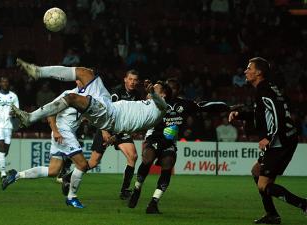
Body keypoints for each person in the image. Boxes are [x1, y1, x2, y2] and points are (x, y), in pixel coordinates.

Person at [10, 58, 168, 207]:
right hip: (107, 105)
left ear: (163, 95)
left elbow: (160, 104)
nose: (151, 89)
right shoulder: (146, 101)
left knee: (71, 98)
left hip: (109, 117)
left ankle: (30, 118)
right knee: (85, 72)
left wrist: (154, 94)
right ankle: (38, 72)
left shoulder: (161, 106)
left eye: (155, 89)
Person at [128, 79, 236, 214]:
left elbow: (205, 106)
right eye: (168, 87)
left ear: (177, 91)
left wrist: (227, 107)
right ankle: (137, 188)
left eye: (173, 88)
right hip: (154, 137)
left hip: (169, 142)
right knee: (147, 160)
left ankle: (154, 202)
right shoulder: (156, 101)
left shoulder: (184, 104)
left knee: (168, 164)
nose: (170, 89)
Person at [229, 57, 306, 224]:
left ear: (258, 72)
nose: (245, 71)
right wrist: (240, 114)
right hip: (284, 138)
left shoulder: (264, 91)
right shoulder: (267, 89)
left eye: (249, 68)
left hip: (281, 141)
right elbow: (263, 114)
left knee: (264, 184)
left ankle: (304, 204)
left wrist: (268, 137)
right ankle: (272, 214)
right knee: (257, 172)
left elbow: (276, 115)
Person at [2, 81, 95, 209]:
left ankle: (16, 175)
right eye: (82, 80)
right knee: (82, 164)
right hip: (62, 133)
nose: (85, 83)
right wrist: (56, 131)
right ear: (77, 81)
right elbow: (50, 112)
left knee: (53, 171)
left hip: (65, 134)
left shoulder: (89, 98)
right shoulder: (68, 94)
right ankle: (71, 197)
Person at [88, 69, 142, 200]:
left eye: (135, 80)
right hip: (106, 127)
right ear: (125, 79)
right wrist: (104, 130)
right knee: (93, 162)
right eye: (130, 79)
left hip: (121, 130)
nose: (132, 82)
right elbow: (104, 110)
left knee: (133, 156)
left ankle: (124, 191)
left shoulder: (137, 96)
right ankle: (69, 176)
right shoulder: (116, 92)